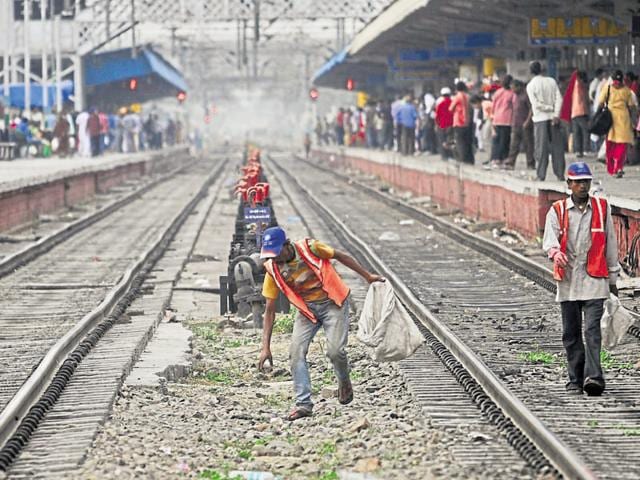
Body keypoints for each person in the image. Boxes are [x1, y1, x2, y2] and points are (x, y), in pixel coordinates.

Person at [257, 227, 384, 421]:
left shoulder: (311, 248)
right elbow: (269, 310)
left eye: (277, 253)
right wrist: (265, 348)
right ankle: (304, 404)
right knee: (296, 353)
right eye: (271, 255)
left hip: (333, 304)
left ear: (286, 245)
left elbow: (341, 256)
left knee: (335, 352)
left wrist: (367, 276)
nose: (275, 259)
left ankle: (344, 382)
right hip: (307, 312)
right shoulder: (272, 270)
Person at [543, 162, 620, 396]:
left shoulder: (602, 208)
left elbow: (611, 244)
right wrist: (555, 253)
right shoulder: (557, 210)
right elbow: (549, 241)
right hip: (568, 281)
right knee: (571, 333)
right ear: (569, 184)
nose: (582, 186)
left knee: (592, 331)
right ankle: (575, 379)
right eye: (578, 182)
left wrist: (614, 280)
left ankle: (594, 377)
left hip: (595, 278)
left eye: (586, 181)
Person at [526, 61, 565, 181]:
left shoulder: (531, 85)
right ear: (542, 69)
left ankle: (541, 175)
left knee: (541, 148)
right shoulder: (551, 81)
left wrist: (548, 108)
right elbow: (559, 98)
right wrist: (556, 114)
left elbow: (535, 104)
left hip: (540, 119)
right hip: (554, 119)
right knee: (557, 148)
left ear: (531, 71)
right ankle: (560, 174)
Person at [597, 70, 637, 178]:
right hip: (610, 119)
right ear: (613, 80)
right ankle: (611, 168)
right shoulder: (608, 88)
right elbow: (601, 102)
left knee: (622, 145)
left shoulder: (626, 91)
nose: (617, 84)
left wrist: (634, 122)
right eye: (616, 81)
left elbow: (632, 106)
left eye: (619, 81)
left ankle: (618, 168)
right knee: (610, 145)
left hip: (622, 120)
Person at [504, 80, 534, 170]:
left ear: (519, 87)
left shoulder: (526, 95)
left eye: (513, 88)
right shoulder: (514, 96)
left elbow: (531, 109)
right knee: (513, 145)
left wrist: (527, 121)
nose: (512, 90)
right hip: (515, 124)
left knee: (528, 145)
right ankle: (511, 163)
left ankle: (530, 163)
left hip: (525, 124)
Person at [450, 81, 474, 164]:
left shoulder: (457, 97)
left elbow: (451, 108)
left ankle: (462, 159)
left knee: (460, 141)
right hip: (468, 121)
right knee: (468, 141)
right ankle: (469, 159)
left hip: (459, 122)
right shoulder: (468, 97)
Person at [435, 87, 454, 161]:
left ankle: (444, 156)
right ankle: (451, 156)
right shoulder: (452, 102)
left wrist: (436, 125)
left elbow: (437, 116)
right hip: (451, 124)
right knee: (450, 140)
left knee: (442, 140)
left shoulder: (439, 103)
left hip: (441, 125)